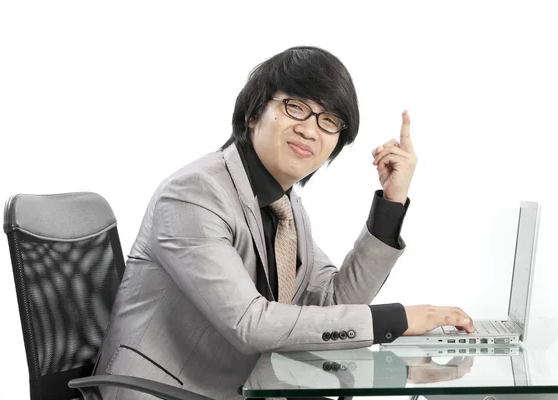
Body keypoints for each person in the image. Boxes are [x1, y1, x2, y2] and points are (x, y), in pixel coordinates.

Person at [94, 46, 475, 400]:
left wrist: (392, 202)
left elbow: (335, 302)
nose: (311, 129)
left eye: (329, 121)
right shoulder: (194, 193)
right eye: (296, 107)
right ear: (254, 112)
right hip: (160, 393)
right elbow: (250, 323)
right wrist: (395, 318)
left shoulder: (286, 207)